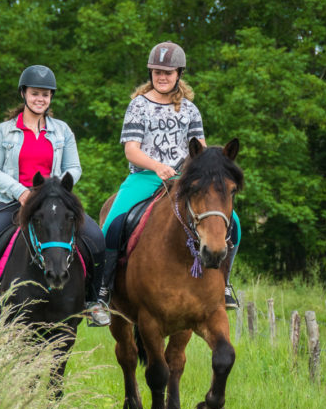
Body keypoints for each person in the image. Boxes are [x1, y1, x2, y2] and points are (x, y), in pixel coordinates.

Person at [100, 41, 240, 309]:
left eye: (168, 72)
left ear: (179, 74)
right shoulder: (138, 106)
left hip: (184, 181)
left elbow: (200, 150)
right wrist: (156, 166)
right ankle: (101, 291)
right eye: (157, 72)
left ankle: (224, 282)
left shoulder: (190, 109)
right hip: (144, 177)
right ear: (151, 73)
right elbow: (131, 150)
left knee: (233, 221)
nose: (162, 77)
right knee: (112, 225)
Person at [0, 64, 110, 326]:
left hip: (53, 202)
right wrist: (20, 191)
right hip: (13, 201)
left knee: (96, 239)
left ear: (50, 98)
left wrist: (60, 188)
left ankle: (93, 302)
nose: (40, 99)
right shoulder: (4, 131)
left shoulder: (62, 130)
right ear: (23, 94)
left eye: (45, 95)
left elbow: (74, 167)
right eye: (35, 93)